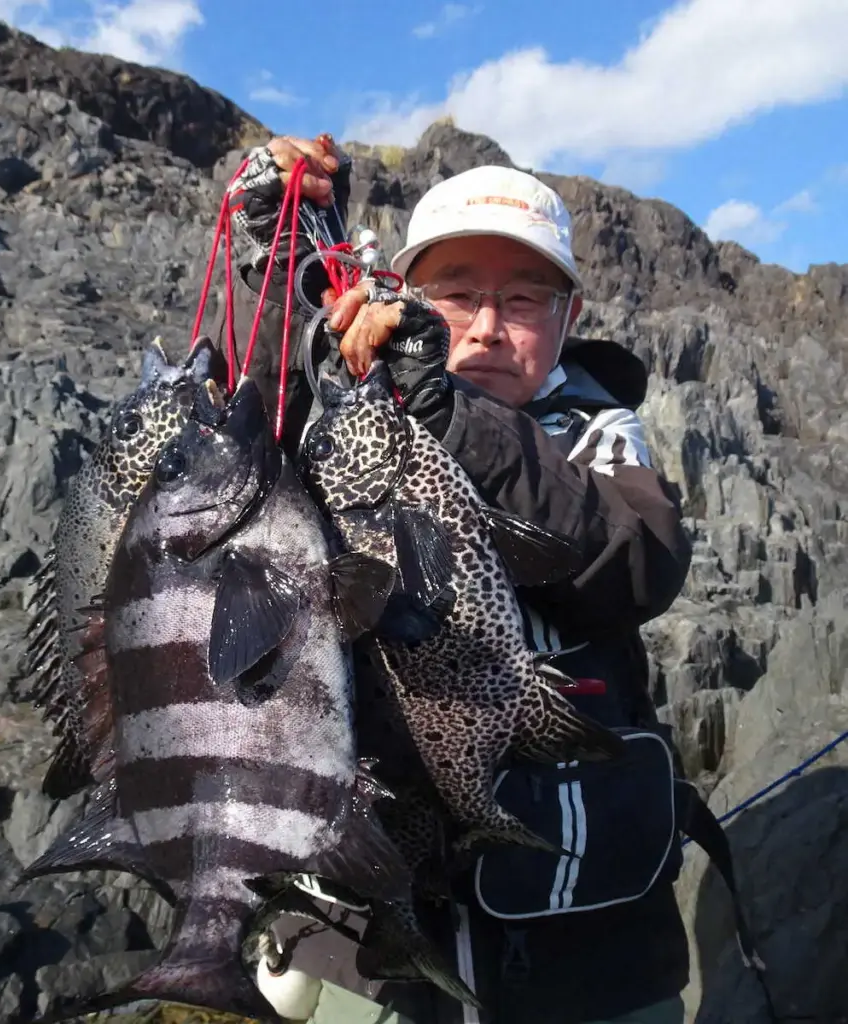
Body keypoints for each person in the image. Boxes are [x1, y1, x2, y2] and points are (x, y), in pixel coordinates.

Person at [212, 134, 695, 1024]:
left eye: (522, 299)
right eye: (459, 294)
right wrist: (286, 270)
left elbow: (639, 561)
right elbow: (247, 447)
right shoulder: (345, 419)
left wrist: (450, 411)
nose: (486, 325)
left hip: (592, 960)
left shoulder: (603, 435)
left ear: (569, 312)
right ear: (409, 299)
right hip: (371, 957)